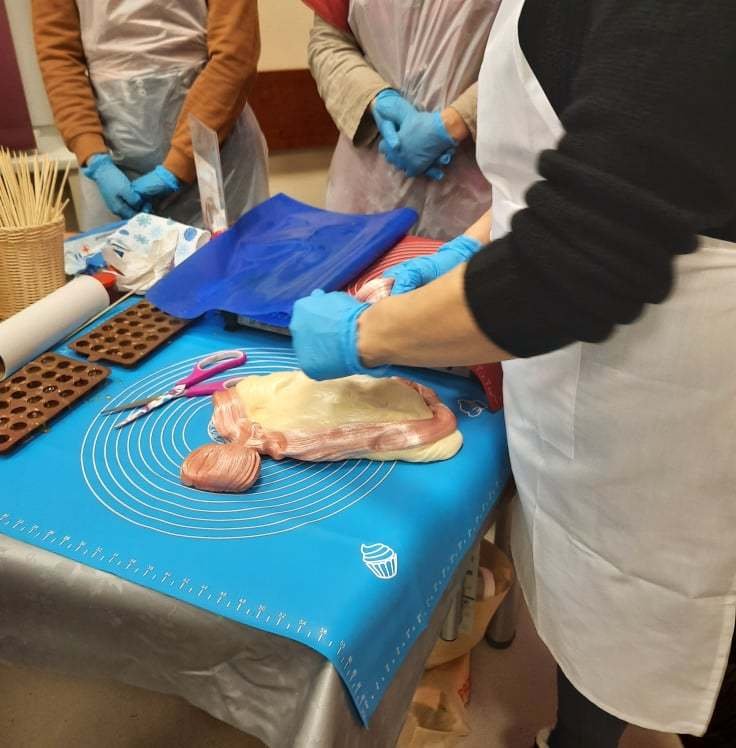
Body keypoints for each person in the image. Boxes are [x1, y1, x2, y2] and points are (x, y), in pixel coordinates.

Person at [290, 1, 736, 746]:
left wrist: (363, 336)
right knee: (594, 612)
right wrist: (469, 249)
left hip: (682, 408)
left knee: (690, 651)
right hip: (588, 386)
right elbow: (564, 167)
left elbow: (578, 262)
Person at [32, 0, 269, 231]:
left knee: (228, 255)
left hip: (215, 149)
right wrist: (94, 157)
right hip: (111, 155)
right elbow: (58, 55)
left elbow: (235, 53)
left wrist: (181, 161)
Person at [305, 0, 500, 241]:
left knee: (467, 262)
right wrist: (376, 97)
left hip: (478, 192)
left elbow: (534, 54)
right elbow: (328, 42)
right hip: (368, 183)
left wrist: (461, 118)